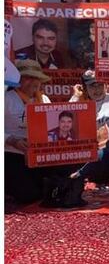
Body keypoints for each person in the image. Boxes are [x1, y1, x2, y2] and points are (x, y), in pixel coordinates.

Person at [4, 61, 68, 204]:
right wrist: (11, 140)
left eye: (36, 78)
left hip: (41, 155)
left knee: (55, 188)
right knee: (29, 195)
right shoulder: (6, 99)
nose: (33, 82)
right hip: (13, 154)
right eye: (28, 77)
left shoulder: (44, 99)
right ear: (18, 80)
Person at [68, 71, 109, 187]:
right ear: (84, 88)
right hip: (87, 151)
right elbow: (65, 117)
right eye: (92, 86)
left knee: (106, 152)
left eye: (100, 85)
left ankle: (81, 174)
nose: (97, 90)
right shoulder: (78, 101)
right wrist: (76, 97)